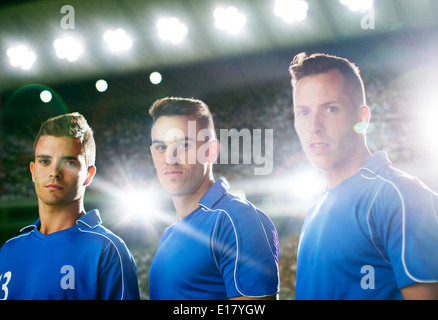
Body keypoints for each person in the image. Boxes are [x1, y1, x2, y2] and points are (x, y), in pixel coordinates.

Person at [289, 52, 438, 300]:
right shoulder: (315, 210)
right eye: (303, 112)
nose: (314, 125)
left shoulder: (400, 196)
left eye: (330, 109)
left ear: (362, 117)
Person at [147, 97, 279, 300]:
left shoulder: (237, 219)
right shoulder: (169, 234)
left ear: (210, 151)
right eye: (161, 147)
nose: (169, 158)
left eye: (183, 145)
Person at [0, 113, 140, 300]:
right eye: (44, 161)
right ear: (33, 171)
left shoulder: (107, 249)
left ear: (89, 175)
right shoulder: (8, 250)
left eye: (68, 162)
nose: (54, 173)